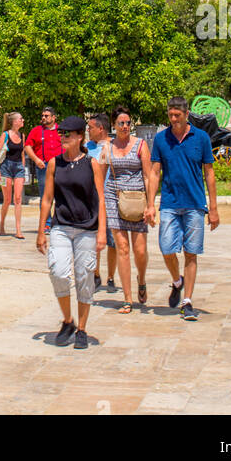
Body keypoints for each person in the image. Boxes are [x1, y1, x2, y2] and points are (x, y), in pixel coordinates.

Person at [147, 96, 220, 322]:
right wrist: (150, 204)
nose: (174, 119)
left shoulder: (201, 138)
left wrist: (213, 208)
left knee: (191, 252)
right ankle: (177, 281)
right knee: (166, 248)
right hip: (170, 203)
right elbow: (154, 172)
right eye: (170, 115)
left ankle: (187, 301)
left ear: (187, 114)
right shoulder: (161, 139)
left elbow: (209, 172)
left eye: (177, 115)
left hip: (195, 204)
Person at [37, 115, 106, 349]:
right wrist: (40, 230)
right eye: (61, 133)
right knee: (57, 270)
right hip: (62, 227)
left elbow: (100, 198)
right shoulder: (55, 163)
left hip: (87, 228)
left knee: (84, 276)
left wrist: (102, 231)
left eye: (67, 134)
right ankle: (67, 320)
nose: (63, 137)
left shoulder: (92, 164)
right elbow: (47, 199)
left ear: (79, 137)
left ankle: (82, 329)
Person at [98, 106, 152, 312]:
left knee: (139, 251)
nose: (125, 126)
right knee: (122, 248)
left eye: (128, 123)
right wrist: (100, 203)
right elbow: (101, 176)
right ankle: (127, 298)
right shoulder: (107, 147)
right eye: (121, 123)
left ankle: (142, 279)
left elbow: (148, 175)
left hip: (137, 199)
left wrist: (150, 204)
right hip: (114, 197)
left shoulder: (140, 145)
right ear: (114, 125)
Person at [86, 113, 117, 291]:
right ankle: (96, 273)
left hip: (111, 199)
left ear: (101, 128)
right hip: (92, 200)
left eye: (90, 127)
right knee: (93, 239)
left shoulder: (114, 147)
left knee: (112, 241)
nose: (88, 131)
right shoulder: (86, 147)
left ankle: (111, 276)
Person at [0, 112, 27, 238]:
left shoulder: (22, 135)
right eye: (21, 118)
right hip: (5, 168)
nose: (23, 120)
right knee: (7, 199)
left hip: (18, 168)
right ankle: (2, 224)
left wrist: (23, 167)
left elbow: (23, 153)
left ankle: (18, 230)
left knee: (18, 199)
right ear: (14, 122)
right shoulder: (5, 135)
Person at [25, 106, 62, 192]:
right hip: (43, 166)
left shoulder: (62, 130)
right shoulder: (36, 130)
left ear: (53, 117)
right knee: (45, 194)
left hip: (60, 166)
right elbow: (27, 147)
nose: (43, 118)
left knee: (62, 194)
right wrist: (36, 160)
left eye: (46, 116)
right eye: (42, 116)